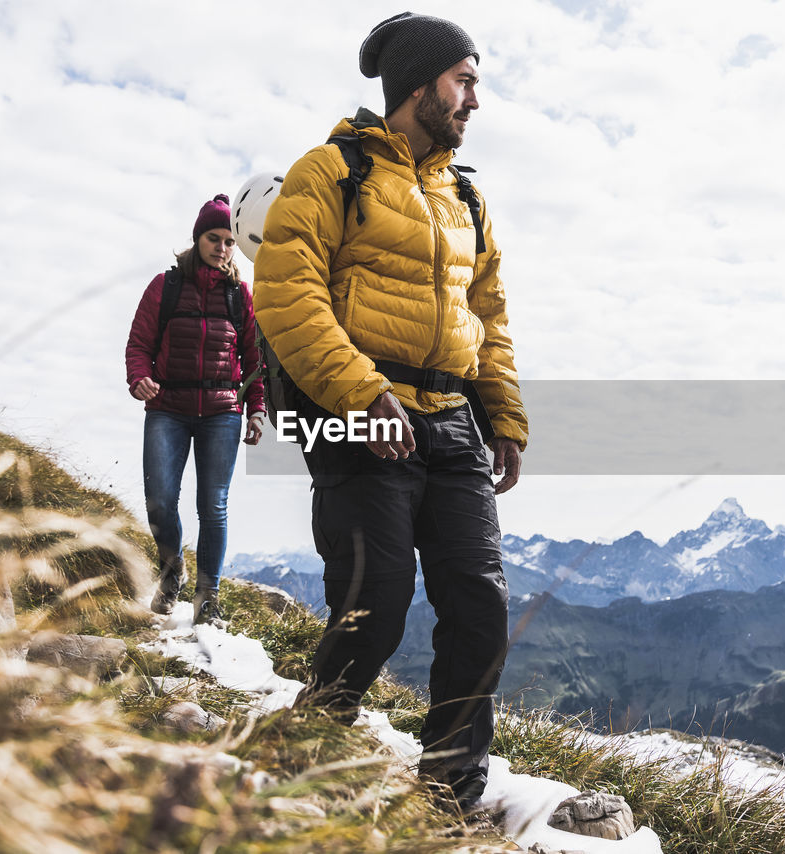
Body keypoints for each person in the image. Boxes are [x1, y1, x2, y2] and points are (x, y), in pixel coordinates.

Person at [253, 13, 528, 812]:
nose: (475, 98)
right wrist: (357, 392)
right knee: (376, 608)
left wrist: (504, 416)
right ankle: (306, 747)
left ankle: (450, 792)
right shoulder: (330, 172)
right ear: (420, 85)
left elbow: (490, 315)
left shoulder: (466, 199)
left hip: (451, 422)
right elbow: (287, 294)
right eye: (464, 80)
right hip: (359, 414)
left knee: (480, 606)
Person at [125, 194, 265, 624]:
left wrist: (257, 410)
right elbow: (139, 345)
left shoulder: (240, 295)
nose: (221, 248)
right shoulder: (164, 286)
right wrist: (139, 378)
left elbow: (255, 361)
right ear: (197, 237)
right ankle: (173, 573)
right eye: (213, 238)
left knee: (213, 505)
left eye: (229, 241)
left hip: (223, 412)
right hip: (167, 407)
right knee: (160, 501)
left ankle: (208, 600)